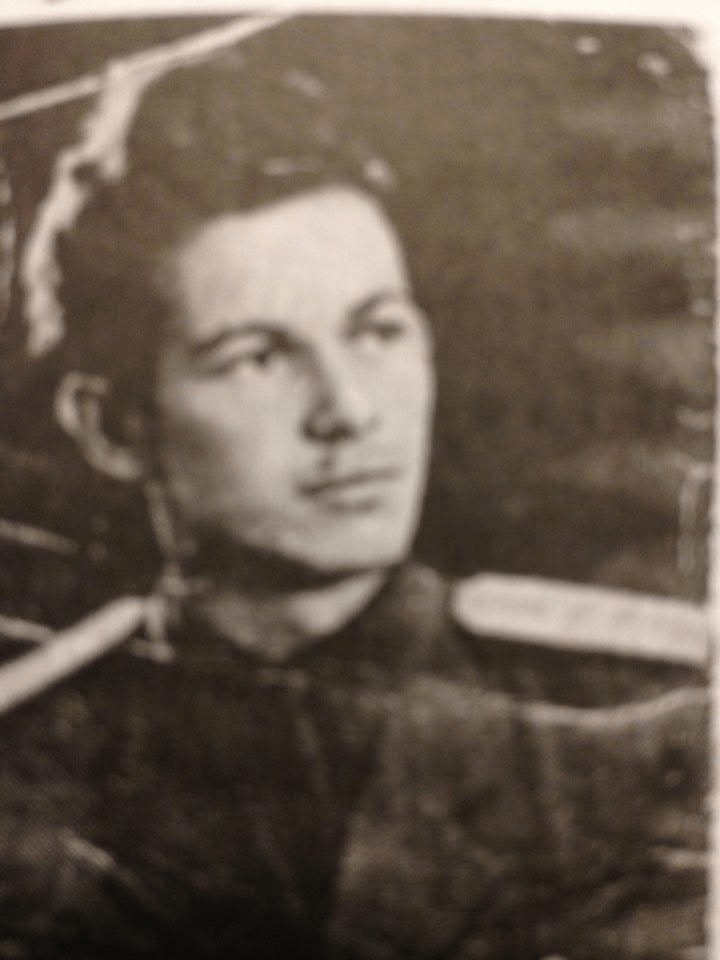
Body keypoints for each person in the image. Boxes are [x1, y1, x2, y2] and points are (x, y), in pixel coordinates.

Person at [0, 23, 709, 960]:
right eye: (259, 358)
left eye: (377, 333)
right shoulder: (28, 767)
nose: (349, 412)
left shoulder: (640, 723)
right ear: (113, 428)